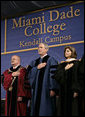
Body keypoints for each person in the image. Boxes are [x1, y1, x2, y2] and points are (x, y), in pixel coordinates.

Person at [27, 43, 59, 116]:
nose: (39, 49)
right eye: (38, 47)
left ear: (46, 49)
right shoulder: (34, 62)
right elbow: (29, 74)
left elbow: (54, 75)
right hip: (36, 91)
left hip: (46, 90)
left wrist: (53, 89)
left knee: (46, 109)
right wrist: (37, 68)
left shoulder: (51, 60)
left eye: (41, 47)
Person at [52, 46, 82, 116]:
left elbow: (79, 78)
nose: (66, 52)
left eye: (68, 51)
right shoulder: (62, 65)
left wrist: (76, 90)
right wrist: (65, 69)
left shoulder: (77, 63)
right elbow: (57, 77)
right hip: (63, 91)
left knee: (74, 109)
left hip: (73, 91)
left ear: (72, 52)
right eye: (65, 51)